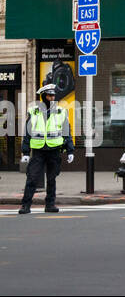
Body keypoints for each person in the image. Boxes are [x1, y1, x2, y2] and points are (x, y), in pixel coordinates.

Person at [19, 82, 73, 214]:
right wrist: (25, 152)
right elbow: (27, 133)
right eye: (49, 96)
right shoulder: (34, 111)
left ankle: (50, 205)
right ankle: (25, 205)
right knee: (32, 178)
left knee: (51, 179)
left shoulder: (61, 112)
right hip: (38, 151)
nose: (52, 98)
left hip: (54, 150)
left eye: (53, 96)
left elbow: (67, 132)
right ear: (43, 97)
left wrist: (70, 150)